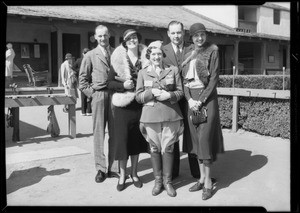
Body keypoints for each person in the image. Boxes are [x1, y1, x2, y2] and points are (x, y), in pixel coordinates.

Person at [181, 23, 224, 200]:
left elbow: (214, 78)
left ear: (206, 36)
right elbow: (183, 80)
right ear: (191, 37)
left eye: (202, 34)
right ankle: (201, 178)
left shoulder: (213, 50)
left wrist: (200, 100)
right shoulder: (187, 52)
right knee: (197, 142)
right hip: (191, 101)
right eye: (196, 35)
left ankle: (208, 183)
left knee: (205, 140)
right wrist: (190, 100)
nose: (200, 38)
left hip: (207, 100)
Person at [136, 40, 183, 197]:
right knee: (155, 148)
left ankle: (168, 182)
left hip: (171, 114)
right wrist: (152, 92)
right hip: (151, 116)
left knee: (169, 147)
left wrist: (168, 95)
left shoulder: (173, 70)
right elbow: (138, 96)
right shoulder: (143, 73)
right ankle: (158, 182)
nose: (156, 57)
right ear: (149, 56)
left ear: (163, 55)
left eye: (159, 53)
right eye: (153, 54)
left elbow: (180, 92)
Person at [107, 29, 149, 191]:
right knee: (123, 142)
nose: (132, 40)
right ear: (124, 41)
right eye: (128, 38)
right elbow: (109, 83)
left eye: (135, 37)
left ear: (138, 39)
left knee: (136, 141)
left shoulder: (146, 57)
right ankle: (123, 175)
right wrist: (122, 85)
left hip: (140, 105)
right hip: (123, 107)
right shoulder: (117, 58)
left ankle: (135, 173)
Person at [78, 25, 119, 183]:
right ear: (95, 37)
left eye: (105, 35)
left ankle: (114, 168)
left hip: (115, 96)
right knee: (99, 134)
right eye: (100, 36)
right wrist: (93, 95)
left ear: (109, 35)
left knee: (115, 133)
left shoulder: (116, 52)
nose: (103, 38)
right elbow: (82, 81)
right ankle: (101, 169)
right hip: (99, 96)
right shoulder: (90, 55)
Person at [162, 20, 195, 180]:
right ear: (168, 34)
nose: (176, 35)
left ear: (184, 33)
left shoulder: (193, 48)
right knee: (172, 135)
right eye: (173, 33)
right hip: (172, 99)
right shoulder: (162, 51)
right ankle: (173, 172)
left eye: (179, 32)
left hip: (190, 98)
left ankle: (196, 172)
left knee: (192, 133)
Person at [73, 48, 92, 116]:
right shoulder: (90, 59)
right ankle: (88, 111)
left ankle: (84, 111)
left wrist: (79, 71)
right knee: (89, 96)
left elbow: (73, 68)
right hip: (89, 80)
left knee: (84, 96)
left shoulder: (79, 60)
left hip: (83, 80)